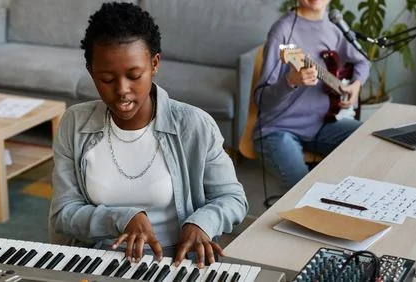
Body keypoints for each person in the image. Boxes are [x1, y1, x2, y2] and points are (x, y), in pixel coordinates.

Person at [48, 2, 247, 268]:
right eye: (107, 79)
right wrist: (121, 218)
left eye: (134, 75)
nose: (122, 90)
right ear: (91, 73)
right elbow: (63, 213)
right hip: (95, 258)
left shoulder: (195, 126)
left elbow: (232, 198)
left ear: (154, 64)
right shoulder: (74, 124)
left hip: (173, 261)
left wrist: (201, 223)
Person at [253, 0, 370, 190]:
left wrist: (356, 85)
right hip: (278, 129)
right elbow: (261, 101)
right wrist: (290, 81)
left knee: (369, 141)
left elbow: (363, 61)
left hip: (321, 125)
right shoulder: (281, 31)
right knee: (302, 188)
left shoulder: (335, 28)